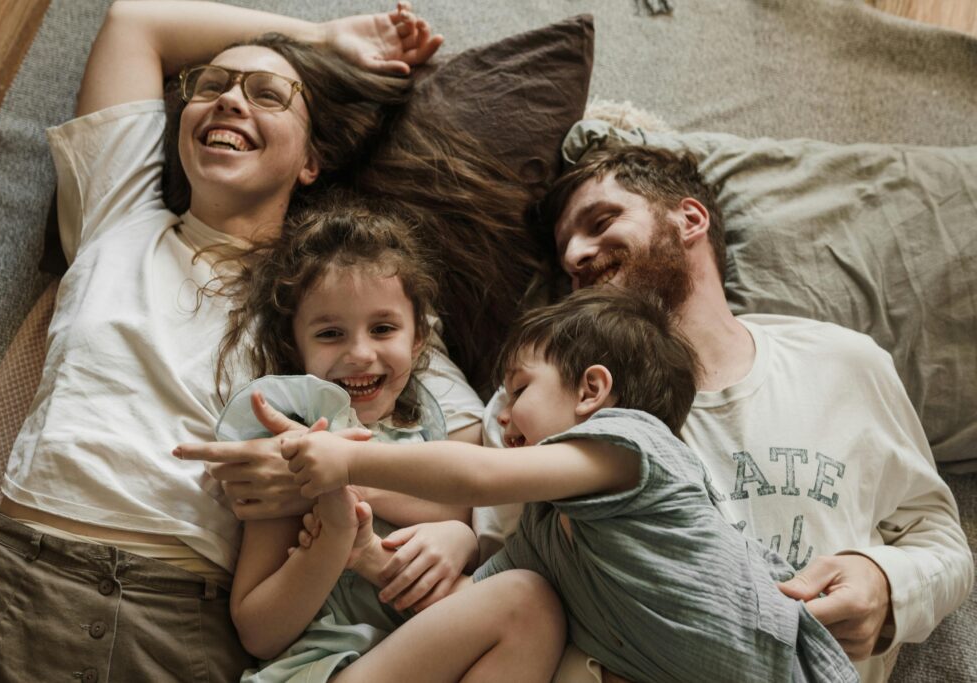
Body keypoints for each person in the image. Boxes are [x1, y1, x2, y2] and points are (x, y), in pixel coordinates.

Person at [0, 3, 493, 680]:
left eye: (268, 95)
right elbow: (134, 23)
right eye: (211, 86)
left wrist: (326, 474)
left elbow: (464, 464)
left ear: (311, 160)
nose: (230, 100)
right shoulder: (120, 210)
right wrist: (323, 38)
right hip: (22, 576)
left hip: (186, 616)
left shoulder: (341, 299)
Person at [513, 138, 974, 682]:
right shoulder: (542, 393)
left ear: (689, 219)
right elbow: (505, 567)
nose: (574, 257)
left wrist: (886, 585)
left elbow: (940, 539)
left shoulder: (842, 364)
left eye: (601, 221)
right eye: (564, 253)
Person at [281, 287, 861, 682]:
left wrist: (350, 461)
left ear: (591, 391)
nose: (500, 415)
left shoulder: (632, 447)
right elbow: (471, 602)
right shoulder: (543, 528)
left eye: (519, 390)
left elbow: (480, 475)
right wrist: (371, 556)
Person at [175, 196, 564, 681]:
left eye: (382, 329)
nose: (360, 353)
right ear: (294, 346)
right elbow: (258, 631)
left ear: (418, 340)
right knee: (527, 603)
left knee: (536, 610)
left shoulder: (427, 430)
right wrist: (333, 540)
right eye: (330, 334)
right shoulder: (298, 442)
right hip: (322, 669)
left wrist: (460, 539)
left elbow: (460, 502)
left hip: (422, 660)